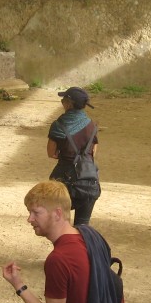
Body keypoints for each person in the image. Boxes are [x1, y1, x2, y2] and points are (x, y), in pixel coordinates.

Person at [47, 87, 101, 226]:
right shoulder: (92, 125)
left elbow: (51, 152)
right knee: (83, 226)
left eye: (63, 99)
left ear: (69, 104)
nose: (61, 101)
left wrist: (63, 154)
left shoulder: (59, 125)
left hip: (64, 181)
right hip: (89, 180)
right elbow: (93, 151)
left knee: (60, 225)